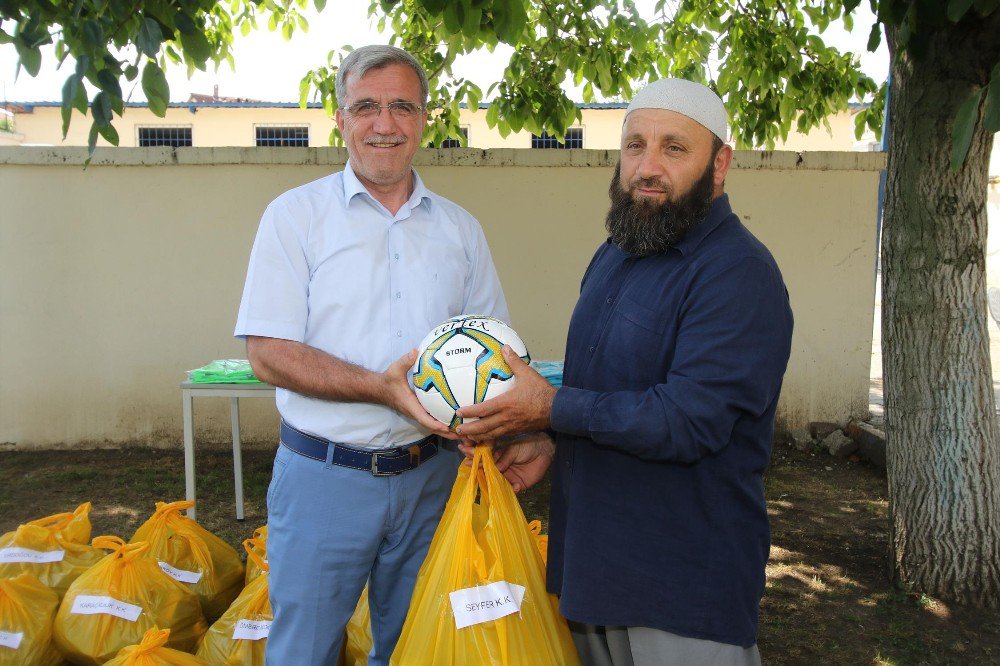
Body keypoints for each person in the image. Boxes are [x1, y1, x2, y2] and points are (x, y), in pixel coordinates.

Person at [456, 78, 794, 665]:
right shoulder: (616, 254)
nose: (647, 166)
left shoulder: (738, 274)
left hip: (681, 589)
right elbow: (608, 393)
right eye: (635, 145)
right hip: (594, 571)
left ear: (721, 165)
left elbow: (690, 420)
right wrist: (551, 439)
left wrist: (551, 408)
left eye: (674, 148)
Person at [234, 45, 508, 665]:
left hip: (433, 477)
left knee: (418, 649)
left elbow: (492, 348)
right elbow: (269, 353)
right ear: (340, 119)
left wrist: (508, 424)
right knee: (304, 652)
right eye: (366, 107)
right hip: (323, 478)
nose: (384, 124)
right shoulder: (294, 218)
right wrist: (379, 388)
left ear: (424, 119)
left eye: (401, 107)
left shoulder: (460, 230)